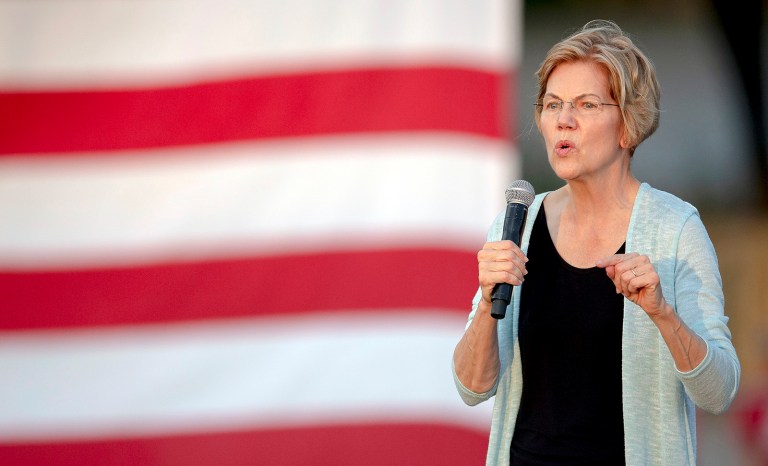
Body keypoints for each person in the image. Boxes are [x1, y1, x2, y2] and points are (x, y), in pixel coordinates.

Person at [452, 19, 740, 465]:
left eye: (585, 105)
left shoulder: (675, 229)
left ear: (628, 125)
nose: (563, 120)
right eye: (552, 105)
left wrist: (663, 314)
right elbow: (471, 387)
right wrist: (488, 307)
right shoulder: (518, 224)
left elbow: (719, 393)